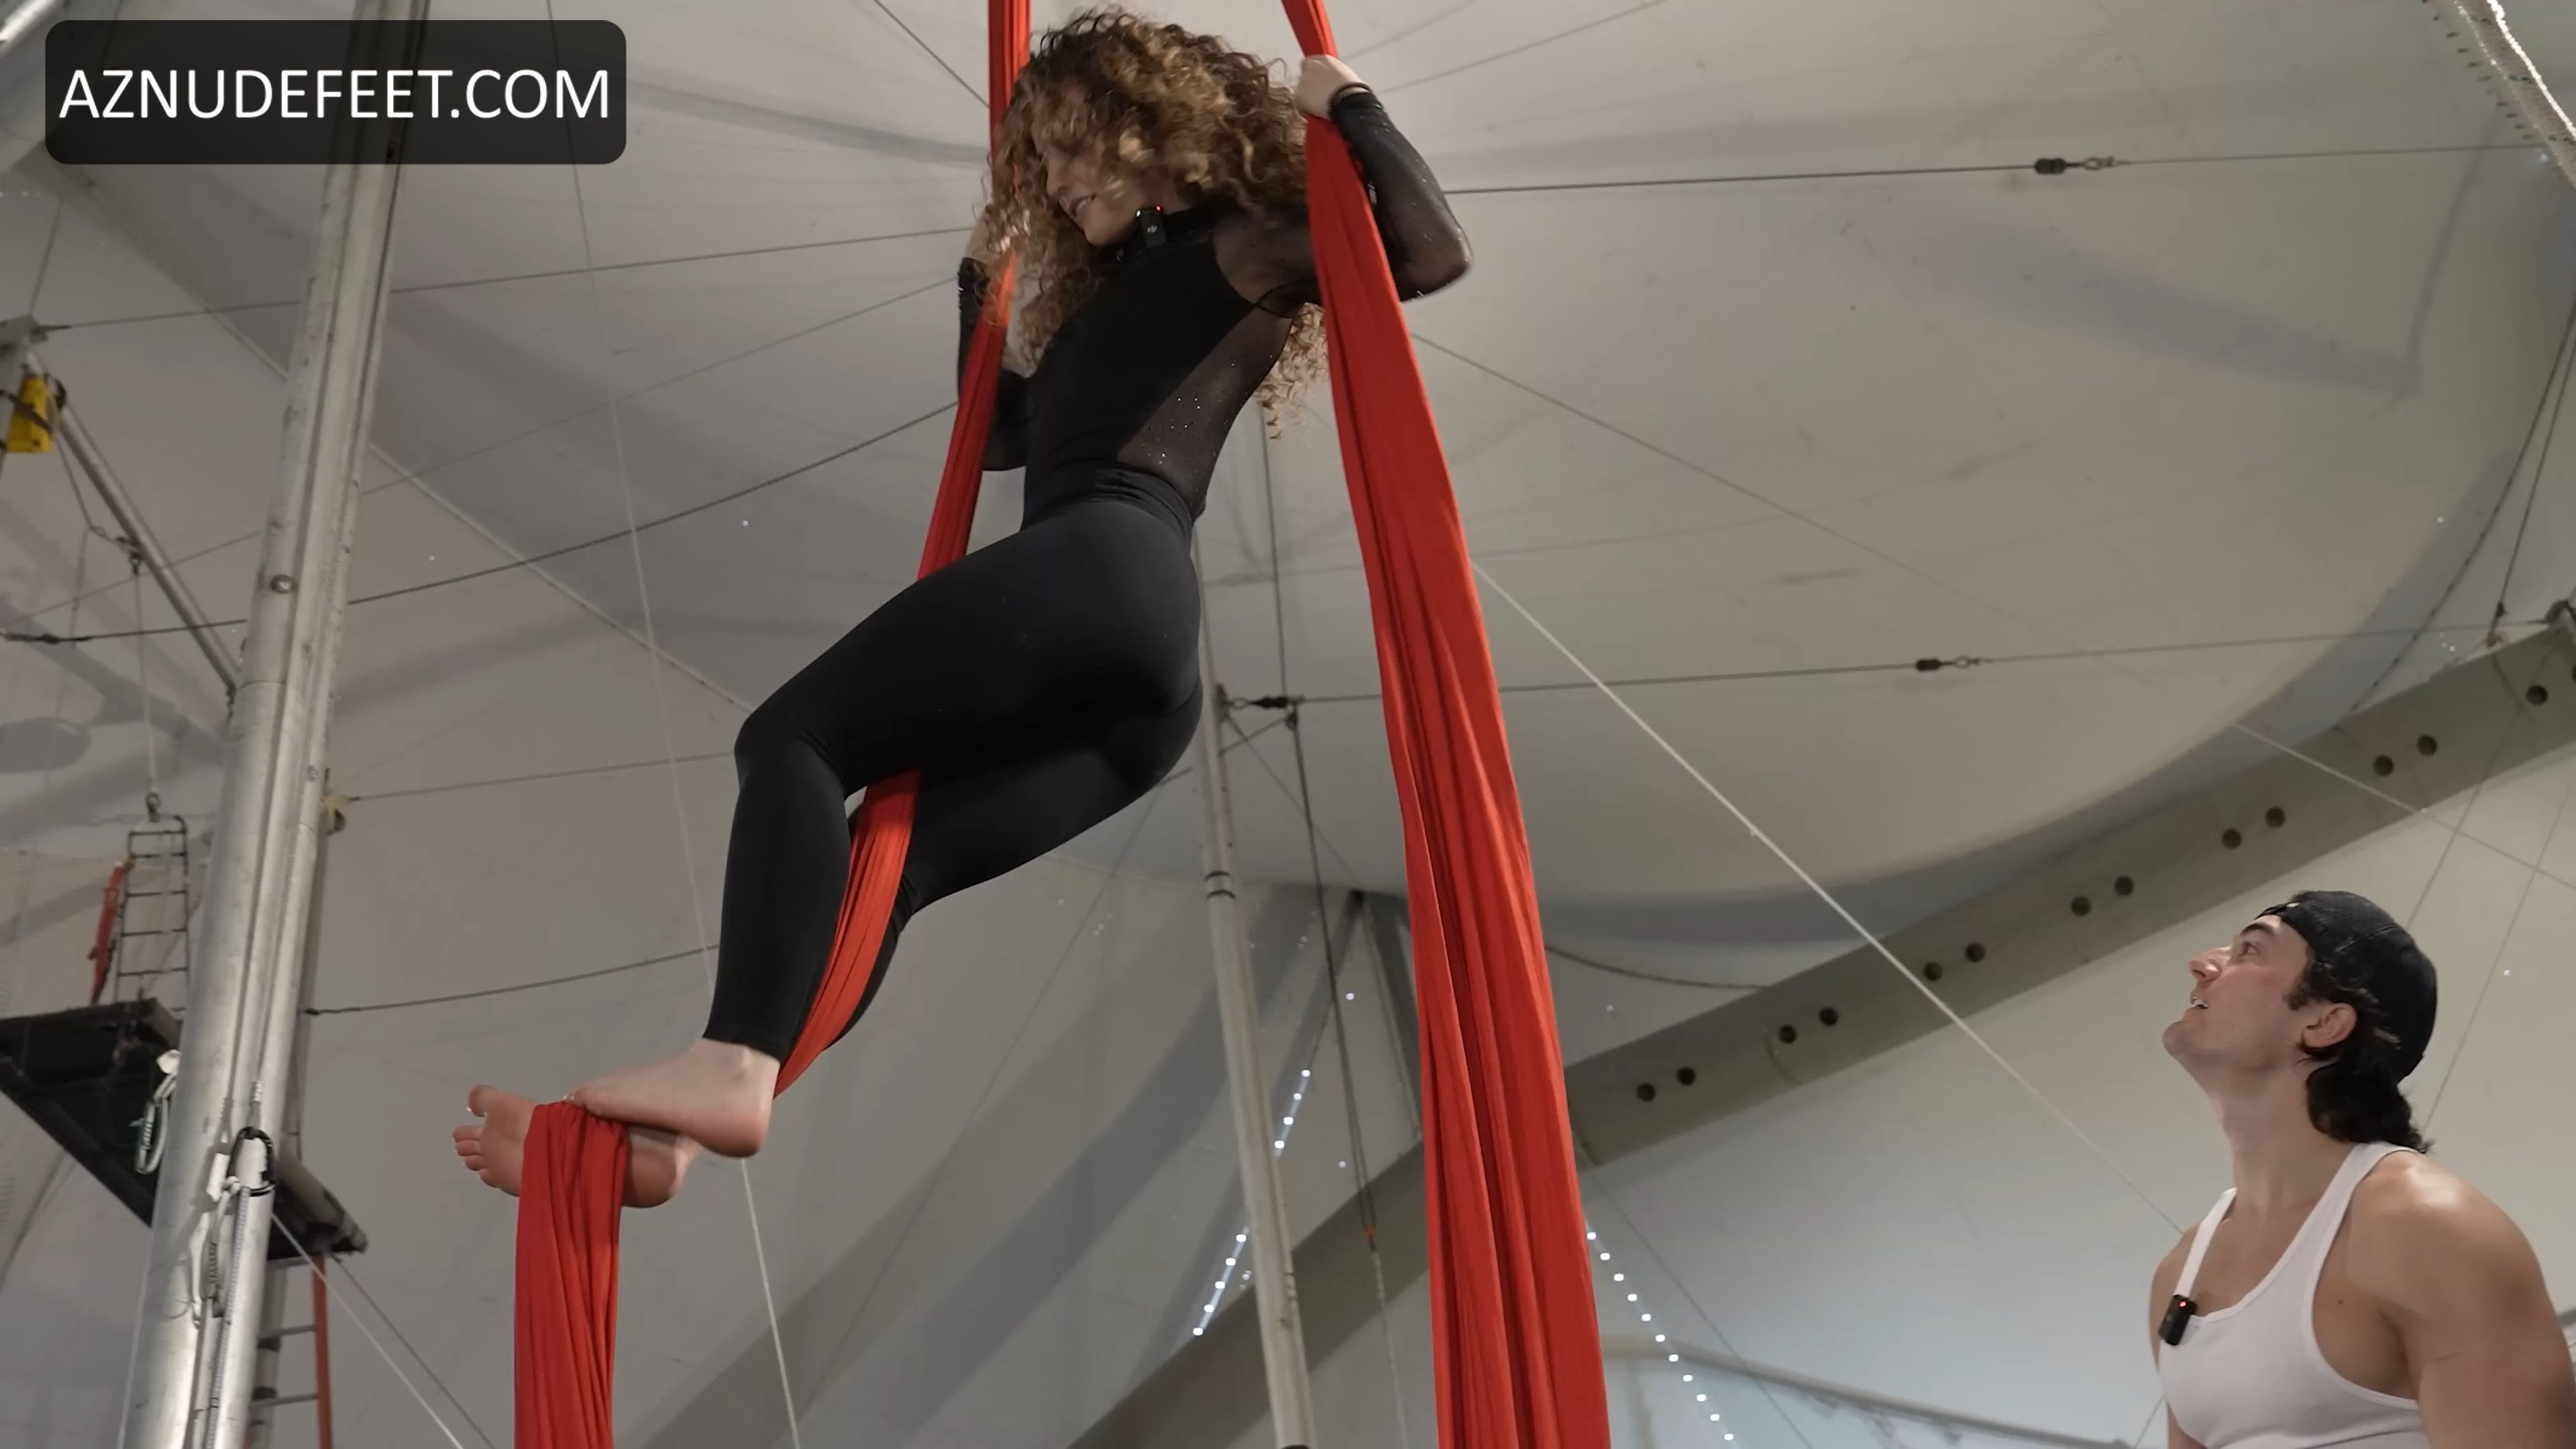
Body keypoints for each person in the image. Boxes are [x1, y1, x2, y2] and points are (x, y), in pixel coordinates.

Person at [453, 8, 1468, 1208]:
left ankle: (733, 1059)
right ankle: (681, 1139)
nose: (1057, 179)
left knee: (793, 738)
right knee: (894, 866)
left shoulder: (1241, 244)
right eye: (1044, 158)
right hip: (1139, 688)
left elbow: (1422, 254)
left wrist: (1351, 108)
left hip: (1109, 562)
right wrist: (979, 297)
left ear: (1153, 130)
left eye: (1074, 145)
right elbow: (1000, 436)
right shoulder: (1113, 302)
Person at [2149, 890, 2576, 1447]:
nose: (2202, 964)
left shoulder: (2428, 1228)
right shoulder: (2181, 1271)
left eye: (2250, 950)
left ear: (2325, 1023)